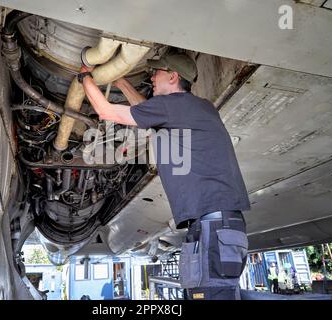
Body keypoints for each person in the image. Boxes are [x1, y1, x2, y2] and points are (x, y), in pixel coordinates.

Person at [78, 52, 250, 300]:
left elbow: (107, 112)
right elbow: (147, 114)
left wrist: (84, 76)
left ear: (173, 76)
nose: (152, 76)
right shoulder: (194, 107)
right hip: (217, 226)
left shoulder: (175, 107)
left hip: (213, 227)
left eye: (157, 72)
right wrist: (121, 82)